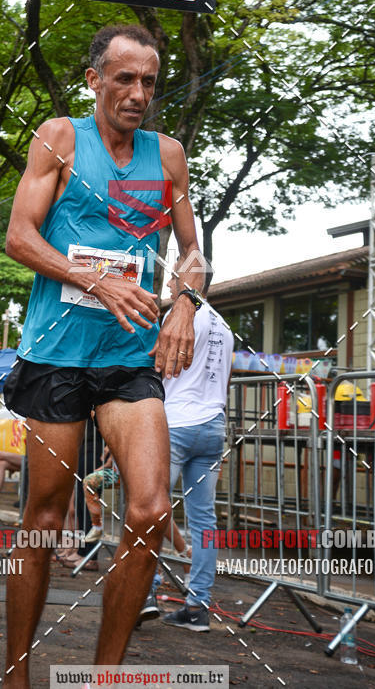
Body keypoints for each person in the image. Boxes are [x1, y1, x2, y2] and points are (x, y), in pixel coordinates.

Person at [2, 23, 205, 685]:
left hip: (127, 358)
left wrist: (184, 303)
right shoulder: (59, 138)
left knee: (150, 510)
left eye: (149, 81)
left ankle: (105, 678)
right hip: (58, 353)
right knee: (44, 518)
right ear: (95, 80)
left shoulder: (168, 155)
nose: (138, 93)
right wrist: (96, 280)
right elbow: (19, 236)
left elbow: (192, 253)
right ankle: (17, 674)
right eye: (124, 79)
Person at [140, 266, 233, 631]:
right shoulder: (224, 325)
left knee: (150, 508)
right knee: (204, 521)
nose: (168, 283)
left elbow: (158, 365)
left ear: (188, 280)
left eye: (173, 276)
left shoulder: (180, 315)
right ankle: (197, 607)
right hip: (212, 427)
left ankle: (144, 594)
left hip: (176, 423)